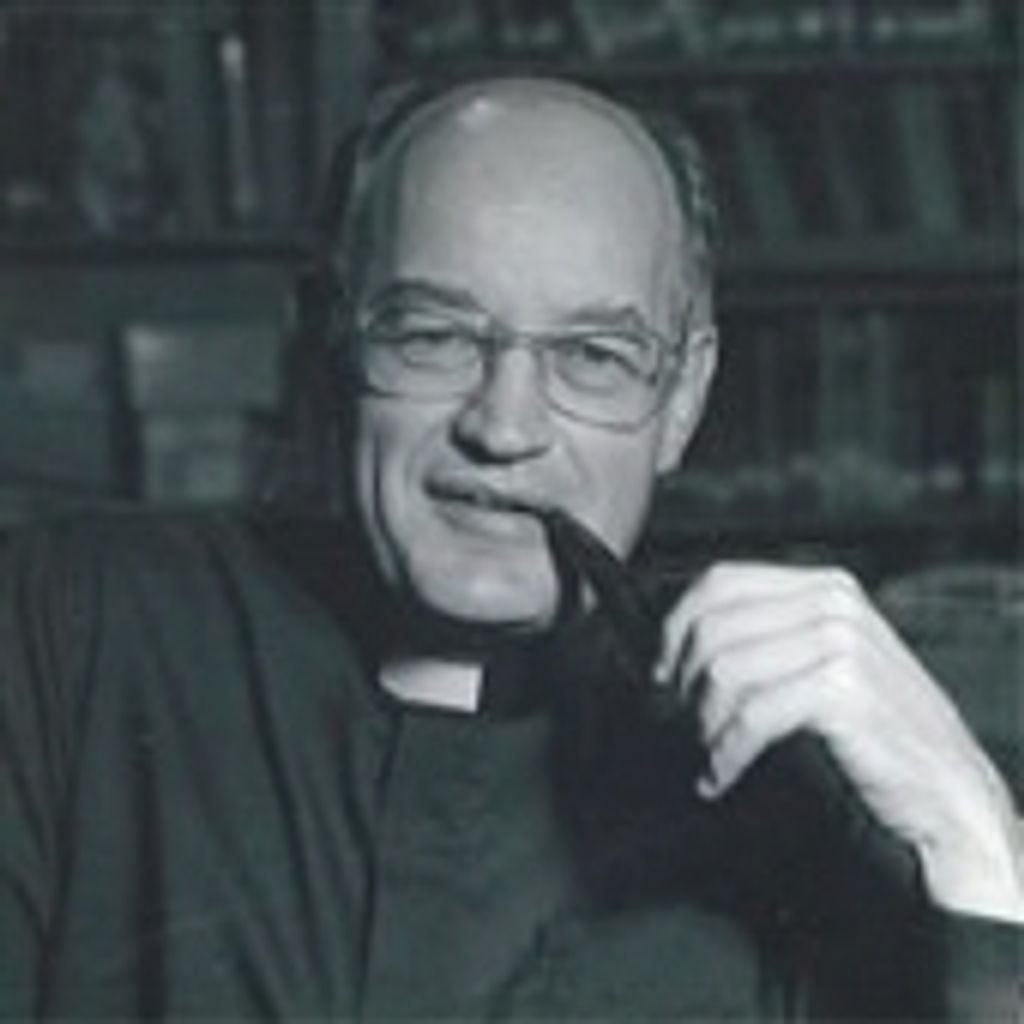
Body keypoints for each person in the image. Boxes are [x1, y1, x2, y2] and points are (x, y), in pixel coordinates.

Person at [1, 76, 1020, 1020]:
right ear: (328, 341)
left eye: (594, 355)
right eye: (433, 335)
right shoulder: (74, 627)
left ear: (682, 400)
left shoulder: (796, 770)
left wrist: (977, 838)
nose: (504, 424)